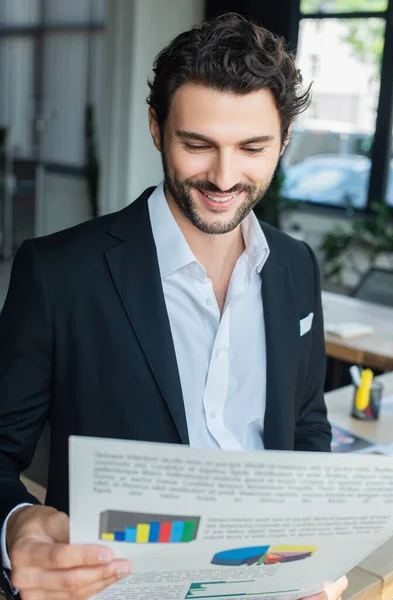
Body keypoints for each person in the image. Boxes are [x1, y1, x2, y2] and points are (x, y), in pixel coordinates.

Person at [0, 13, 348, 600]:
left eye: (253, 148)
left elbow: (306, 425)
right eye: (198, 144)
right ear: (157, 128)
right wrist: (17, 527)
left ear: (284, 141)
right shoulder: (58, 273)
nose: (224, 176)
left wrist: (308, 546)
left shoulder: (296, 266)